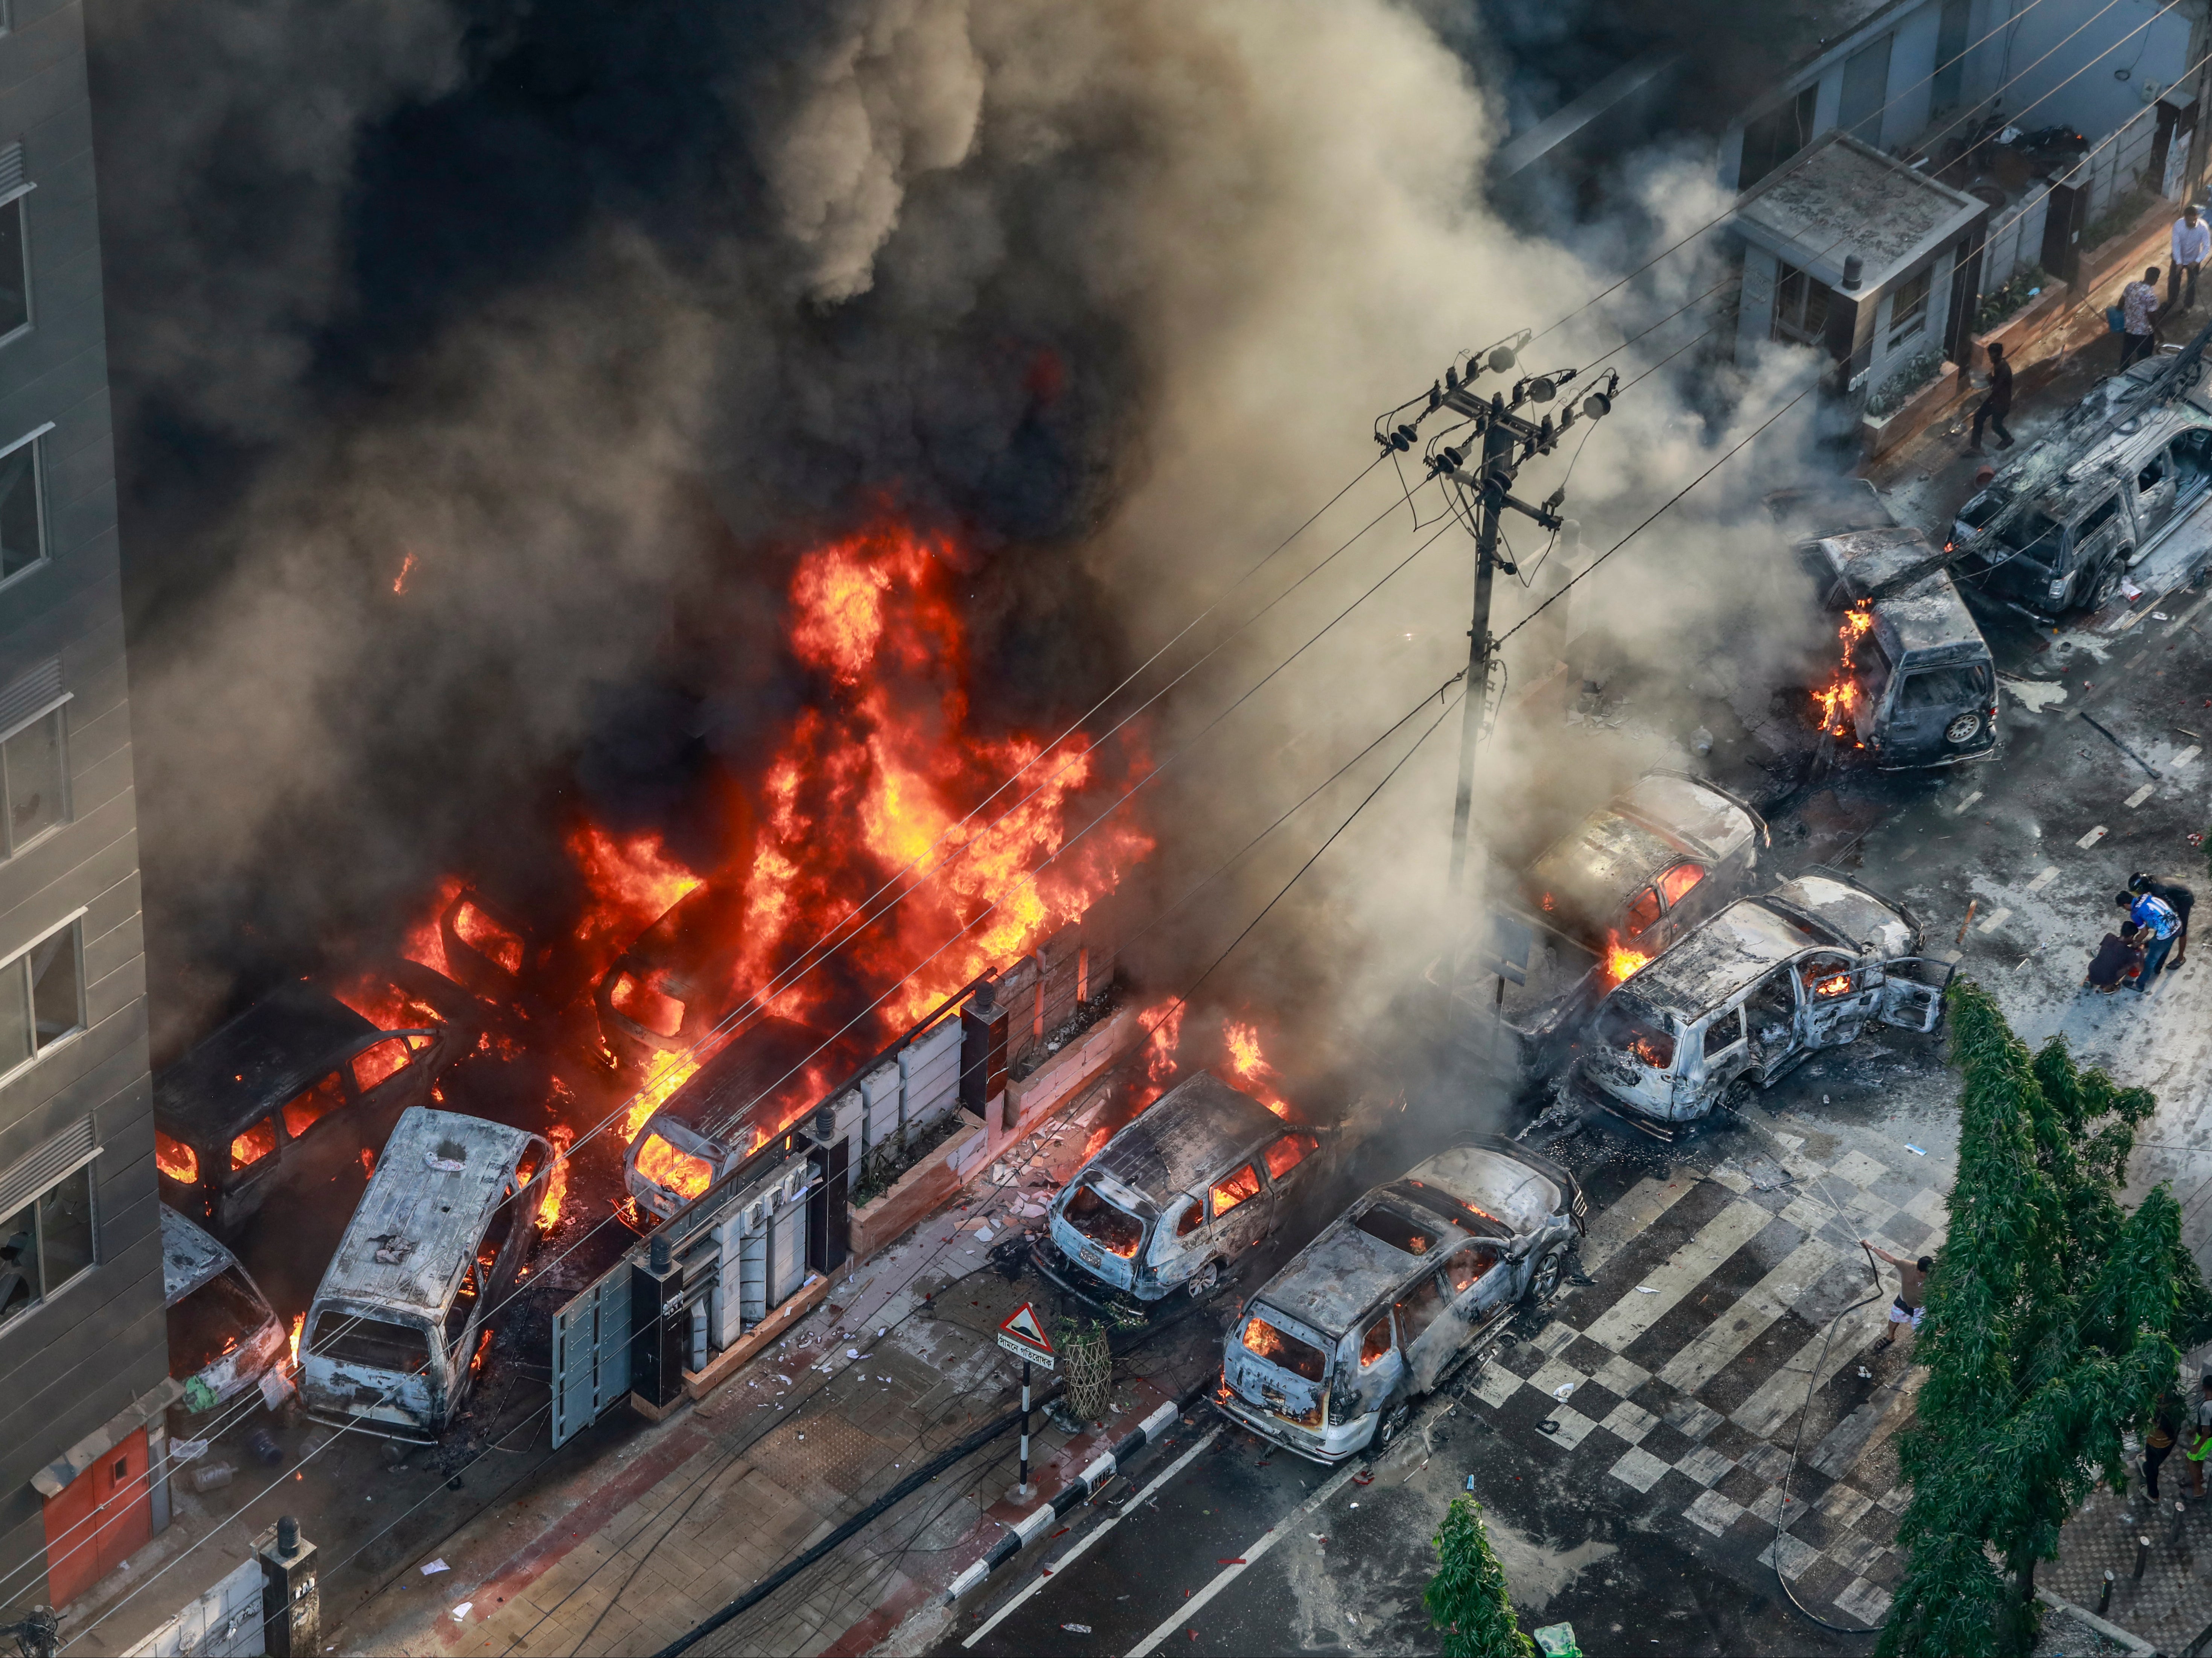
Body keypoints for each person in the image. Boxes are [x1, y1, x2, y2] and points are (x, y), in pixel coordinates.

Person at [1864, 1241, 1931, 1351]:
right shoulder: (1907, 1266)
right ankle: (1890, 1337)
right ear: (1919, 1270)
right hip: (1904, 1301)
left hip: (1922, 1307)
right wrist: (1871, 1247)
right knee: (1894, 1319)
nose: (1928, 1275)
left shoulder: (1937, 1275)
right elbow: (1890, 1258)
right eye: (1926, 1273)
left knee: (1921, 1330)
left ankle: (1921, 1348)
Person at [2129, 871, 2194, 969]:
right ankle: (2153, 942)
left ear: (2143, 887)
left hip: (2184, 899)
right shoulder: (2152, 881)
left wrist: (2144, 930)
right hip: (2175, 891)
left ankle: (2181, 958)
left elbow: (2171, 910)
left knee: (2182, 931)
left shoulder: (2158, 892)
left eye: (2137, 891)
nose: (2137, 894)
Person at [2118, 888, 2183, 986]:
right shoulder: (2146, 896)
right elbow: (2150, 920)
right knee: (2166, 947)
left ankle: (2139, 985)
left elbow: (2144, 933)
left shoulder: (2135, 913)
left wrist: (2136, 942)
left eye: (2123, 908)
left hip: (2166, 934)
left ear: (2126, 905)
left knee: (2150, 960)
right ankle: (2158, 969)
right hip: (2178, 926)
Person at [1969, 341, 2014, 455]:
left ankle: (2008, 439)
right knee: (1979, 418)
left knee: (1996, 425)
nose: (1991, 358)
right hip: (1996, 399)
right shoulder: (1999, 365)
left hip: (2001, 402)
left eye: (1992, 356)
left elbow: (1995, 387)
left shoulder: (2004, 369)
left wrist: (1988, 378)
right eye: (1990, 355)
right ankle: (1976, 447)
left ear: (1999, 355)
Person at [2121, 266, 2163, 371]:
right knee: (2144, 358)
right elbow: (2152, 318)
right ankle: (2139, 375)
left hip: (2129, 328)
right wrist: (2158, 333)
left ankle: (2122, 373)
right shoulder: (2151, 297)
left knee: (2127, 354)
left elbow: (2120, 304)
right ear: (2156, 279)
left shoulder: (2131, 286)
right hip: (2144, 333)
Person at [2148, 1385, 2185, 1501]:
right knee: (2154, 1463)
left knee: (2151, 1469)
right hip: (2169, 1443)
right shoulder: (2179, 1410)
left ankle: (2153, 1495)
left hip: (2155, 1444)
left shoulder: (2159, 1413)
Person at [2086, 920, 2147, 991]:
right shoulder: (2130, 953)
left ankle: (2088, 979)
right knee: (2129, 966)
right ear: (2131, 936)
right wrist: (2141, 951)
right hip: (2106, 980)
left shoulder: (2109, 937)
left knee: (2104, 960)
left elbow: (2115, 950)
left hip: (2092, 970)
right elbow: (2141, 969)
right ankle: (2107, 988)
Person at [2174, 205, 2211, 313]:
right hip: (2179, 258)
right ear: (2184, 217)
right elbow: (2176, 245)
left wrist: (2197, 261)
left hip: (2194, 260)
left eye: (2192, 220)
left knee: (2191, 284)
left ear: (2196, 217)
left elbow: (2207, 247)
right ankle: (2172, 301)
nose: (2190, 223)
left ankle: (2188, 307)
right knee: (2173, 280)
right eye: (2187, 220)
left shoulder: (2203, 228)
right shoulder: (2178, 225)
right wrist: (2179, 262)